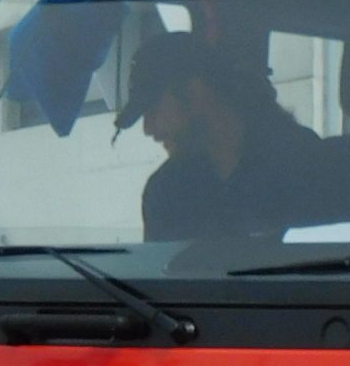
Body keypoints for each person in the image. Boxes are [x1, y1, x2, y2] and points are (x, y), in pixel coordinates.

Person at [117, 29, 327, 243]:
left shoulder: (299, 161)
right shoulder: (165, 192)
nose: (148, 129)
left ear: (194, 92)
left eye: (153, 110)